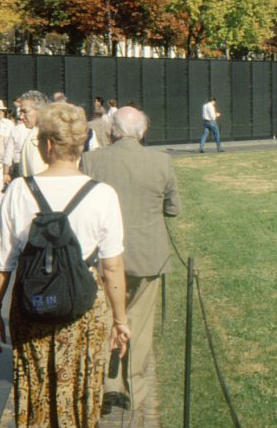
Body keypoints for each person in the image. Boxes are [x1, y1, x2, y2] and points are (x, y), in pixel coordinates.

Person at [0, 101, 130, 428]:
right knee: (81, 389)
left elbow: (2, 264)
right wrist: (120, 319)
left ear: (47, 145)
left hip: (31, 304)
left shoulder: (19, 191)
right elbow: (112, 268)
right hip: (83, 308)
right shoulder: (103, 194)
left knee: (35, 388)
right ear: (80, 146)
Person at [82, 107, 181, 415]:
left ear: (112, 131)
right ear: (142, 131)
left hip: (101, 258)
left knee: (105, 318)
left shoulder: (91, 161)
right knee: (138, 323)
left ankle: (106, 386)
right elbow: (173, 208)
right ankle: (133, 390)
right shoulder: (161, 161)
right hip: (145, 256)